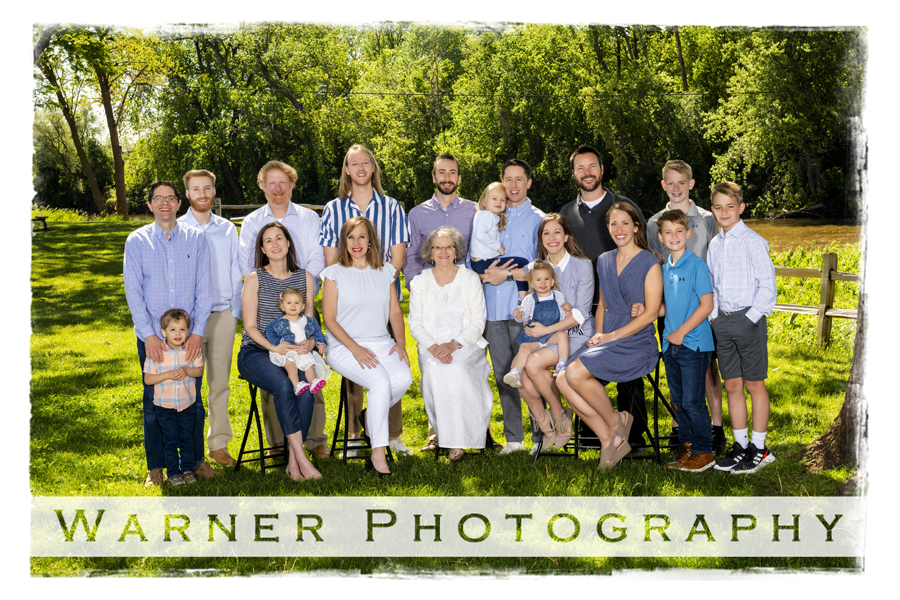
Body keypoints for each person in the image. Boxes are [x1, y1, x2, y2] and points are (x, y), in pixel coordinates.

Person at [124, 180, 219, 487]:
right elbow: (133, 292)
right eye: (157, 199)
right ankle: (156, 468)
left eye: (170, 198)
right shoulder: (136, 241)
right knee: (154, 402)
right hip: (153, 337)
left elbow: (205, 289)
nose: (164, 203)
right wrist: (150, 334)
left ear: (179, 203)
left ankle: (195, 462)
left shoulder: (196, 238)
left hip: (188, 336)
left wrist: (198, 333)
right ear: (149, 205)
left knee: (193, 402)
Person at [320, 144, 411, 456]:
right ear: (347, 170)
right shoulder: (333, 209)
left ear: (373, 168)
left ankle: (392, 435)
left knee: (390, 366)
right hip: (347, 302)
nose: (360, 168)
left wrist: (375, 279)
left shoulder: (392, 208)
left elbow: (397, 257)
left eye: (365, 162)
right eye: (353, 163)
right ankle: (356, 434)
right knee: (357, 370)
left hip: (383, 298)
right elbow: (332, 258)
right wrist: (355, 280)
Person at [556, 202, 663, 469]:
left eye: (625, 223)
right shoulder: (603, 260)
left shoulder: (650, 262)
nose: (619, 229)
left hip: (637, 341)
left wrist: (612, 337)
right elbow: (602, 304)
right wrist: (600, 334)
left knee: (575, 373)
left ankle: (617, 424)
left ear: (637, 226)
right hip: (608, 338)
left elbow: (650, 314)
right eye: (613, 224)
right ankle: (610, 436)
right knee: (561, 380)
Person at [557, 146, 649, 449]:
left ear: (602, 169)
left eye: (592, 166)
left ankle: (632, 435)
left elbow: (643, 252)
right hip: (583, 307)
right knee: (585, 366)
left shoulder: (623, 206)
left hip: (625, 306)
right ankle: (593, 432)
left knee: (628, 375)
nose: (587, 172)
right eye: (580, 168)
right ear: (574, 174)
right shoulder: (566, 214)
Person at [237, 161, 329, 459]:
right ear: (262, 185)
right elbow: (245, 261)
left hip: (300, 297)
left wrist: (298, 288)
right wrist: (272, 285)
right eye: (271, 183)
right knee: (278, 384)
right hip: (264, 323)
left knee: (306, 376)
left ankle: (314, 440)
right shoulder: (253, 221)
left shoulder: (307, 218)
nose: (278, 188)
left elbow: (316, 256)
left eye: (283, 182)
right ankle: (281, 444)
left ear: (292, 184)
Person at [645, 160, 725, 454]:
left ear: (691, 184)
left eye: (682, 182)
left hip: (703, 304)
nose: (676, 188)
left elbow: (717, 258)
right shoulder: (655, 222)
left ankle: (715, 428)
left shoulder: (706, 219)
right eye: (671, 183)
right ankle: (683, 429)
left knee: (706, 370)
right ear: (663, 185)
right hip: (671, 306)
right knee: (676, 368)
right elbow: (657, 262)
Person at [405, 154, 480, 452]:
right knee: (433, 368)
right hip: (431, 297)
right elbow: (412, 254)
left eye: (452, 173)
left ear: (459, 178)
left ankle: (475, 428)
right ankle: (436, 432)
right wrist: (418, 285)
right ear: (434, 177)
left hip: (466, 296)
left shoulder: (475, 210)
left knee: (467, 367)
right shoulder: (417, 213)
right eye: (441, 173)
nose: (447, 177)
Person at [236, 222, 322, 481]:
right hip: (257, 352)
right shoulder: (254, 278)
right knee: (285, 387)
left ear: (288, 243)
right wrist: (274, 346)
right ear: (262, 248)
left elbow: (309, 321)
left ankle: (293, 462)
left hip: (296, 353)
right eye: (268, 241)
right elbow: (249, 326)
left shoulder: (304, 277)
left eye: (279, 238)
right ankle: (302, 461)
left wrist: (310, 342)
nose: (275, 244)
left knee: (305, 390)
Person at [706, 182, 777, 474]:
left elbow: (767, 286)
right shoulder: (714, 244)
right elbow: (711, 284)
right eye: (718, 207)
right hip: (721, 321)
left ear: (741, 208)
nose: (724, 212)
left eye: (730, 206)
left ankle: (760, 449)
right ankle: (740, 446)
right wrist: (713, 317)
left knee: (753, 384)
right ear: (712, 210)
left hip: (749, 320)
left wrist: (751, 319)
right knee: (732, 384)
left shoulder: (753, 242)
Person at [476, 159, 544, 453]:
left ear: (529, 183)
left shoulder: (539, 219)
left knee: (530, 371)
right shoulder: (486, 216)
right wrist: (484, 273)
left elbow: (545, 268)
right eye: (508, 180)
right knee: (504, 373)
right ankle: (515, 438)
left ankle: (543, 434)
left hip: (525, 308)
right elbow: (473, 259)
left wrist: (507, 274)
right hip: (492, 309)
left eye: (519, 179)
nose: (513, 185)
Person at [408, 227, 492, 462]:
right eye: (438, 247)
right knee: (436, 370)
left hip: (467, 344)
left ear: (456, 251)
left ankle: (461, 439)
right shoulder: (420, 282)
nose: (443, 251)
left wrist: (455, 345)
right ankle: (445, 437)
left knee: (457, 368)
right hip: (431, 345)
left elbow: (478, 319)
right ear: (430, 252)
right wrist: (435, 348)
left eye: (449, 247)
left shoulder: (470, 278)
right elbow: (414, 323)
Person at [178, 169, 243, 468]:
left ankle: (218, 444)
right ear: (187, 195)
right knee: (186, 385)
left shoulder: (227, 229)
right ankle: (188, 450)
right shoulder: (176, 229)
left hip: (222, 315)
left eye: (207, 188)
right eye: (195, 189)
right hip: (187, 321)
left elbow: (235, 270)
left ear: (214, 192)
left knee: (219, 384)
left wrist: (235, 312)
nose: (202, 194)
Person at [655, 210, 716, 471]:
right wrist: (648, 311)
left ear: (688, 233)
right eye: (668, 232)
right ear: (660, 237)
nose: (674, 236)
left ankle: (704, 452)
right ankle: (688, 449)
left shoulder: (697, 265)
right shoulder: (663, 268)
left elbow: (706, 305)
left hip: (693, 343)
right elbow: (669, 306)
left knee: (693, 401)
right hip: (670, 344)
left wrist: (681, 332)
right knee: (679, 401)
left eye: (679, 231)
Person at [143, 309, 204, 486]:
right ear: (163, 332)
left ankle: (187, 470)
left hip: (187, 404)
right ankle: (173, 473)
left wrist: (186, 370)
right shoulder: (156, 354)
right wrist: (167, 375)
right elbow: (148, 379)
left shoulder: (191, 351)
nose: (178, 334)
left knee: (187, 438)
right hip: (165, 406)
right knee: (170, 440)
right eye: (173, 330)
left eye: (182, 329)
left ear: (188, 332)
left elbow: (199, 371)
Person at [506, 262, 571, 384]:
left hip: (552, 333)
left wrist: (568, 309)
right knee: (524, 348)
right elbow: (523, 317)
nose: (543, 283)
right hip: (534, 336)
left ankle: (562, 363)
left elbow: (564, 317)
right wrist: (519, 316)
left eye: (546, 279)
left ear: (552, 281)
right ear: (532, 283)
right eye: (538, 279)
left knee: (562, 336)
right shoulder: (529, 299)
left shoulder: (558, 296)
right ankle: (515, 372)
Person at [470, 182, 530, 298]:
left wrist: (525, 202)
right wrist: (499, 246)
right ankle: (522, 299)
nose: (499, 202)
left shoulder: (482, 214)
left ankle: (522, 298)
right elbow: (480, 235)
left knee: (517, 264)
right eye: (494, 198)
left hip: (479, 261)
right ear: (484, 201)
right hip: (484, 262)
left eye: (502, 200)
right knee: (521, 263)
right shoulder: (487, 216)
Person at [265, 288, 330, 396]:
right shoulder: (276, 323)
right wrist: (279, 342)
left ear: (303, 306)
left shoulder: (309, 321)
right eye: (289, 303)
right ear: (282, 306)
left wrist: (321, 343)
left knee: (310, 364)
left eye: (297, 303)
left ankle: (313, 381)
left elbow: (318, 333)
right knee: (291, 366)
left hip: (303, 350)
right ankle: (297, 385)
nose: (293, 306)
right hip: (288, 351)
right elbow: (270, 333)